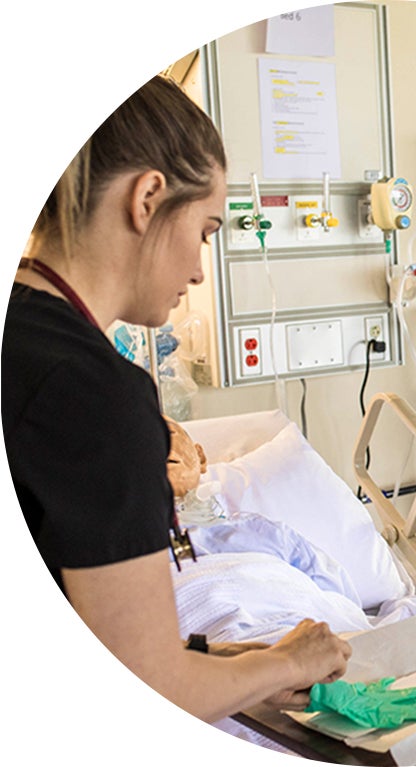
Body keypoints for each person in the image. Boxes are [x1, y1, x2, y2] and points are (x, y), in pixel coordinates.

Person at [1, 74, 351, 724]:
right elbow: (149, 687)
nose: (197, 269)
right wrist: (289, 661)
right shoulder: (93, 392)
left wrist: (220, 663)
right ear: (149, 197)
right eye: (207, 230)